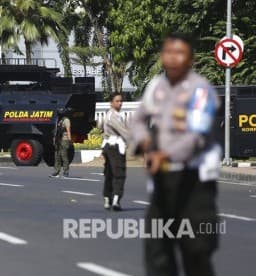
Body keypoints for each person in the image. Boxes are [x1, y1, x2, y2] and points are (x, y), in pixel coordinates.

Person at [130, 33, 220, 276]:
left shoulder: (201, 90)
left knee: (196, 252)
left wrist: (164, 155)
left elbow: (195, 137)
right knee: (157, 253)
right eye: (168, 52)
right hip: (163, 181)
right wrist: (144, 141)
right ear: (162, 56)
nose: (173, 58)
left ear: (190, 59)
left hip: (195, 181)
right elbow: (137, 120)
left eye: (180, 53)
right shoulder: (155, 87)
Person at [102, 92, 129, 211]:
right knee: (119, 174)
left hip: (109, 146)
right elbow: (123, 131)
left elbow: (101, 127)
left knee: (109, 173)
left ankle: (108, 199)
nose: (120, 103)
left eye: (121, 101)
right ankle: (115, 200)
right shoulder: (113, 116)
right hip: (115, 147)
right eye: (117, 101)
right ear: (111, 103)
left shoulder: (111, 115)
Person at [50, 108, 72, 178]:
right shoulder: (58, 120)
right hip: (58, 140)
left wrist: (69, 140)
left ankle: (66, 172)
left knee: (64, 156)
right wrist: (54, 139)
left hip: (64, 139)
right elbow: (56, 131)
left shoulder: (66, 120)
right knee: (57, 156)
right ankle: (56, 172)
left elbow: (68, 131)